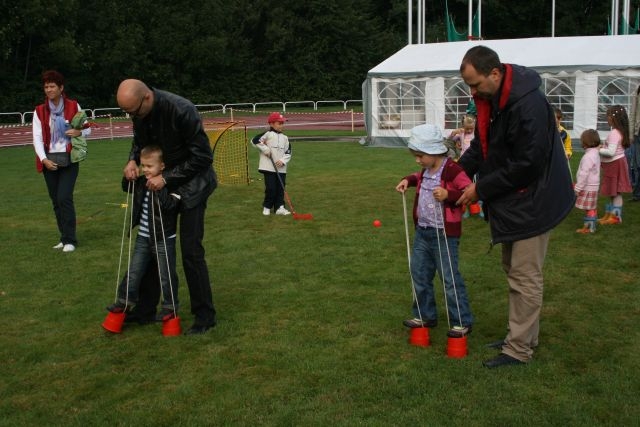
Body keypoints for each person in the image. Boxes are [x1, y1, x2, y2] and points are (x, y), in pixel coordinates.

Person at [455, 46, 574, 368]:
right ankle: (520, 336)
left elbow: (528, 163)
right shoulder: (494, 100)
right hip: (517, 200)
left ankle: (519, 349)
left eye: (475, 84)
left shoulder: (528, 105)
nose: (472, 92)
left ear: (494, 73)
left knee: (524, 275)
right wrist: (453, 174)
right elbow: (482, 147)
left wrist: (480, 188)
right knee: (514, 269)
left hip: (536, 200)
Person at [117, 79, 217, 335]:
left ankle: (204, 316)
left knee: (191, 251)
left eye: (133, 111)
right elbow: (140, 143)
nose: (131, 117)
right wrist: (132, 160)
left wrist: (167, 178)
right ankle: (145, 310)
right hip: (160, 184)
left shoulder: (183, 110)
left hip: (193, 187)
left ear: (147, 98)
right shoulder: (140, 113)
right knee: (154, 243)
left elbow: (203, 156)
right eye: (127, 113)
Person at [395, 124, 474, 338]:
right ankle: (425, 315)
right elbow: (418, 176)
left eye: (420, 156)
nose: (417, 160)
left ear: (433, 152)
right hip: (423, 232)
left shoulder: (452, 170)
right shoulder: (427, 169)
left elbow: (469, 191)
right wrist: (407, 180)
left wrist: (449, 195)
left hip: (444, 234)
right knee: (419, 273)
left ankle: (461, 321)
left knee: (449, 278)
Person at [106, 146, 181, 321]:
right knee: (134, 271)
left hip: (163, 238)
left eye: (150, 166)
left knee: (166, 275)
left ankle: (169, 307)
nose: (145, 169)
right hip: (143, 237)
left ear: (162, 166)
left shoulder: (170, 184)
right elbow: (126, 187)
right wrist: (128, 174)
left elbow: (171, 206)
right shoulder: (141, 182)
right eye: (143, 165)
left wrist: (160, 188)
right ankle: (124, 301)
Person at [32, 70, 91, 253]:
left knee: (64, 198)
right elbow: (37, 138)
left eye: (52, 86)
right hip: (49, 161)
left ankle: (70, 240)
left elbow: (88, 129)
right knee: (56, 201)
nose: (49, 90)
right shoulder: (39, 111)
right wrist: (44, 159)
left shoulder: (73, 106)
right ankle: (63, 237)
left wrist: (79, 132)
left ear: (61, 88)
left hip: (69, 160)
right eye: (46, 87)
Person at [251, 112, 292, 216]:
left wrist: (283, 161)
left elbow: (288, 152)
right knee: (271, 188)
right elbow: (255, 140)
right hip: (268, 167)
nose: (281, 125)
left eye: (282, 123)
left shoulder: (285, 138)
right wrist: (265, 149)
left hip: (281, 169)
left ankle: (279, 207)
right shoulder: (267, 134)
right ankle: (267, 206)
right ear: (271, 124)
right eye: (279, 123)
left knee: (281, 188)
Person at [598, 105, 632, 225]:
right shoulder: (620, 132)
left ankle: (616, 217)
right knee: (613, 192)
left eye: (608, 116)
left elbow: (611, 152)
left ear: (613, 118)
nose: (606, 118)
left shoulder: (614, 133)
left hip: (614, 165)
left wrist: (599, 149)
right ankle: (610, 215)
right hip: (615, 164)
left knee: (615, 193)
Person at [574, 130, 601, 234]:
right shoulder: (595, 153)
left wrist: (578, 188)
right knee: (591, 207)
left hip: (588, 186)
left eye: (582, 140)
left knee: (589, 208)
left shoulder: (588, 156)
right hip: (593, 186)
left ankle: (589, 228)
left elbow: (583, 174)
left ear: (586, 142)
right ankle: (591, 226)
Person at [627, 85, 640, 202]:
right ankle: (637, 194)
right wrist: (631, 134)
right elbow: (632, 114)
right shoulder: (637, 91)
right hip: (638, 134)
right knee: (637, 165)